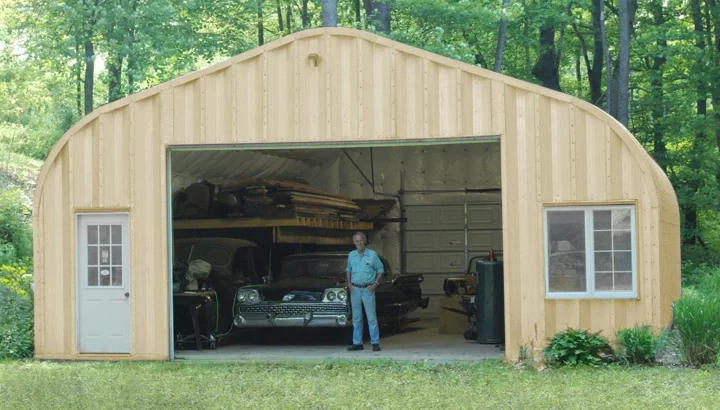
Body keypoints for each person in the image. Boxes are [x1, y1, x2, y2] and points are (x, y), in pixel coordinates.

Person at [345, 231, 384, 352]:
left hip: (368, 289)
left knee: (371, 317)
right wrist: (349, 284)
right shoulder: (351, 255)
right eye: (357, 241)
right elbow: (348, 270)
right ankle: (357, 343)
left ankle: (375, 343)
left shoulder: (372, 255)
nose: (359, 243)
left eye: (361, 240)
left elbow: (381, 269)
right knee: (356, 318)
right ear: (354, 242)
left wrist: (375, 284)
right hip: (355, 289)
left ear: (365, 241)